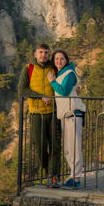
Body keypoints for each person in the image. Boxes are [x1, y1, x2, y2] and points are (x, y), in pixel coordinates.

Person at [17, 43, 61, 186]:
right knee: (40, 146)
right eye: (41, 52)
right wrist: (41, 96)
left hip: (54, 112)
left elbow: (64, 83)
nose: (43, 55)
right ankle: (48, 171)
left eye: (46, 53)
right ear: (35, 54)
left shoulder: (54, 68)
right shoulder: (28, 69)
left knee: (55, 145)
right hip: (36, 113)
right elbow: (22, 90)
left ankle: (54, 176)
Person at [47, 50, 85, 188]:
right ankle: (72, 176)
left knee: (74, 147)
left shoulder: (69, 74)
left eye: (62, 59)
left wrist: (52, 82)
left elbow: (63, 91)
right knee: (68, 148)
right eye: (56, 59)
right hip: (65, 115)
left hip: (73, 114)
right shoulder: (60, 74)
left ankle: (76, 178)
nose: (59, 61)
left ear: (66, 60)